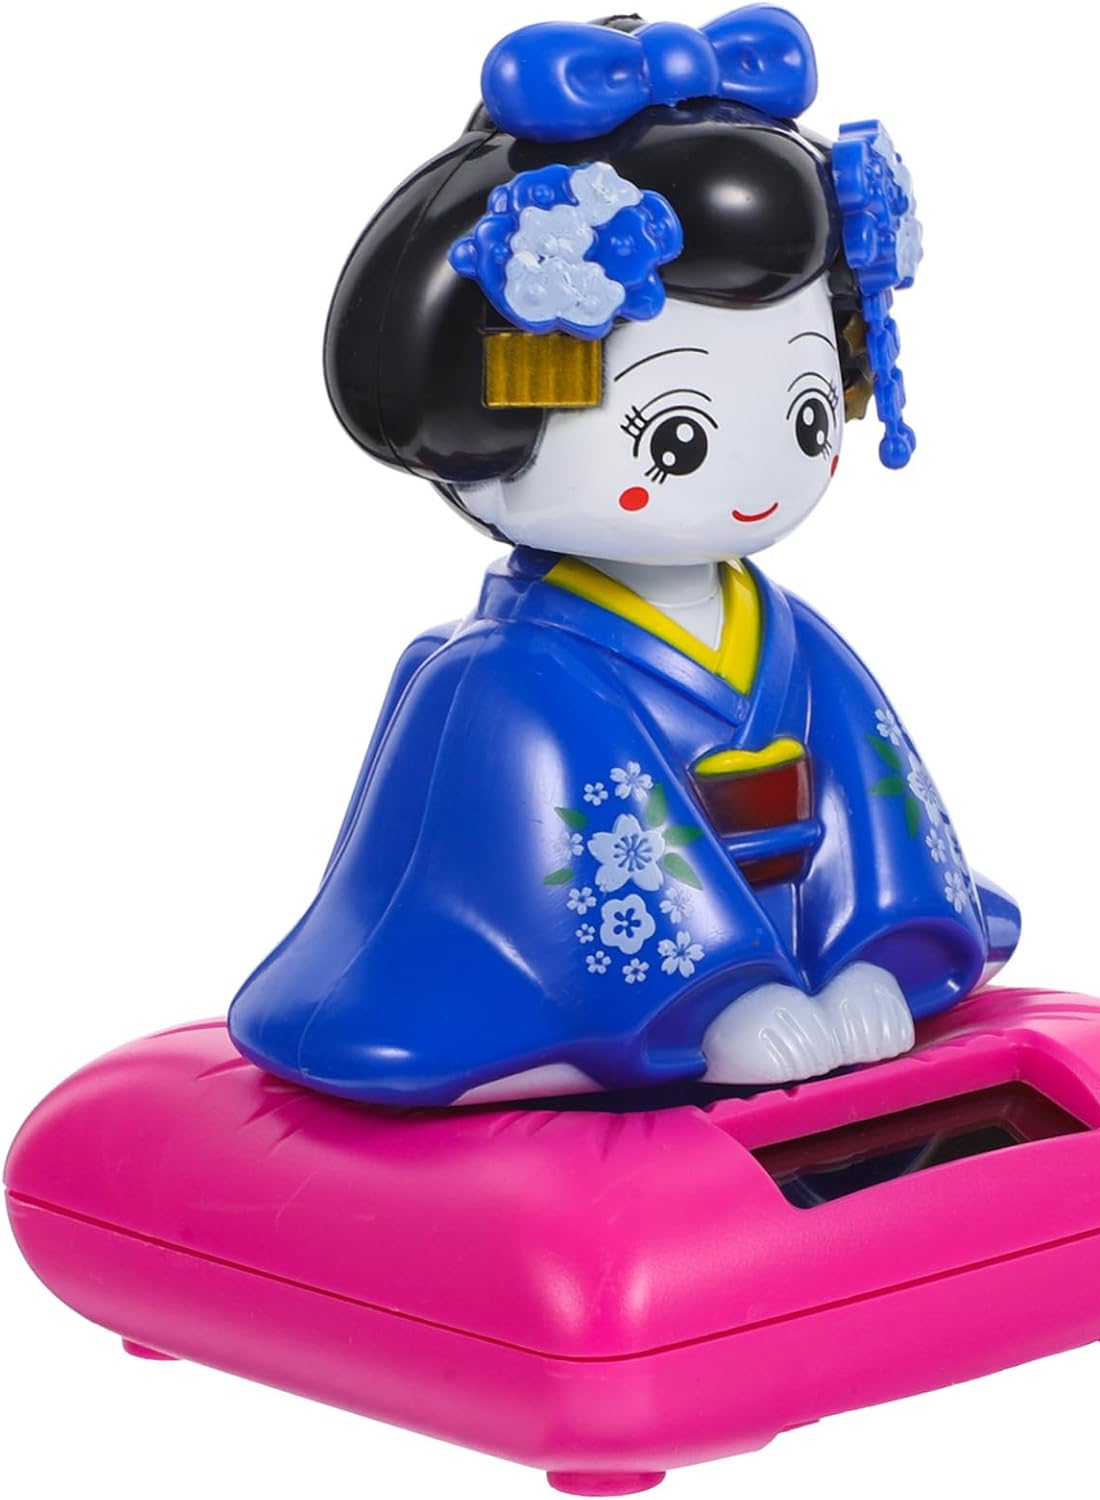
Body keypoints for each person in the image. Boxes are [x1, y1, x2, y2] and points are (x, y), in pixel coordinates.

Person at [227, 8, 1020, 1107]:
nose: (758, 473)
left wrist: (872, 957)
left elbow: (874, 802)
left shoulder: (788, 636)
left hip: (808, 947)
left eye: (807, 414)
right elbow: (570, 859)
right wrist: (719, 1002)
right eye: (675, 437)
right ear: (500, 412)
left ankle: (830, 958)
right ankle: (689, 1003)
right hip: (624, 991)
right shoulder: (507, 678)